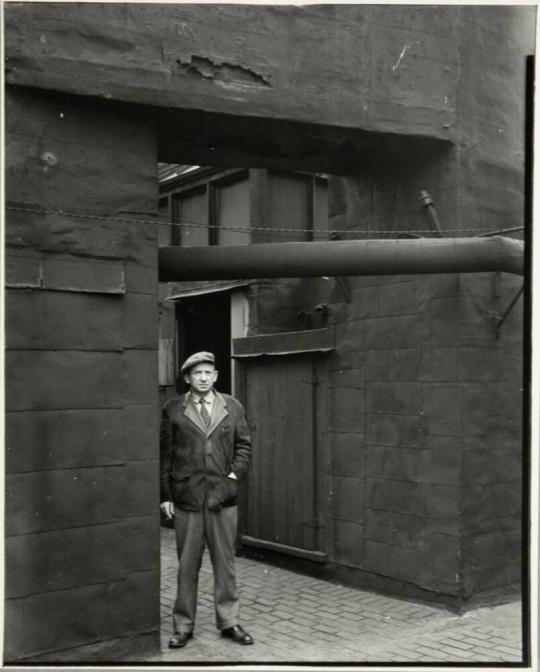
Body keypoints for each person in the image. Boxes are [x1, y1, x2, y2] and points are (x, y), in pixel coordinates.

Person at [160, 351, 254, 648]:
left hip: (222, 499)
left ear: (215, 377)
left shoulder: (233, 407)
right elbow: (165, 455)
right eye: (196, 373)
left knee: (225, 564)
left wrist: (233, 478)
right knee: (187, 565)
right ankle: (183, 626)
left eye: (208, 373)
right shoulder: (173, 409)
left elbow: (244, 447)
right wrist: (166, 496)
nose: (203, 378)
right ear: (188, 378)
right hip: (187, 498)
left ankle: (229, 622)